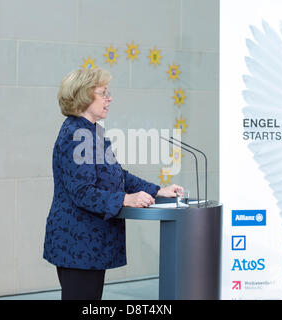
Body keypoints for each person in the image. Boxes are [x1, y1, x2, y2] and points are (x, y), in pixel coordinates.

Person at [43, 68, 183, 300]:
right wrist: (126, 199)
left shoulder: (91, 132)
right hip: (78, 244)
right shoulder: (75, 134)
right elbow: (82, 192)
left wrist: (157, 190)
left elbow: (119, 176)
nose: (110, 98)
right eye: (104, 93)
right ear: (84, 96)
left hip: (90, 244)